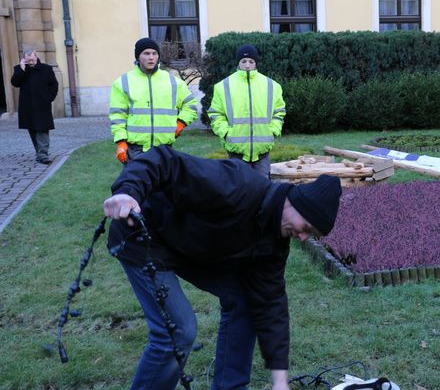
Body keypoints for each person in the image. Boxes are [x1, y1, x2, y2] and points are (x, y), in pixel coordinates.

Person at [102, 145, 342, 390]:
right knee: (178, 330)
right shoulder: (236, 185)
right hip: (144, 237)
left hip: (191, 248)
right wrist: (128, 191)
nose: (302, 238)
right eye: (307, 229)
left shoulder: (274, 243)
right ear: (293, 204)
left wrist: (280, 383)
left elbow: (272, 306)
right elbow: (163, 160)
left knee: (249, 299)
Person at [109, 37, 198, 164]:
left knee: (164, 184)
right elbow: (118, 115)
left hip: (164, 149)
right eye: (146, 53)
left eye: (154, 53)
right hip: (135, 150)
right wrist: (121, 142)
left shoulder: (172, 82)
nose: (151, 57)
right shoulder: (123, 82)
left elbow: (190, 104)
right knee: (137, 184)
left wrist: (181, 123)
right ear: (138, 57)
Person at [207, 44, 286, 177]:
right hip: (236, 150)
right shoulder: (223, 86)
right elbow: (215, 113)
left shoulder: (272, 85)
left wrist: (273, 131)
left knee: (263, 190)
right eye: (243, 61)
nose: (247, 65)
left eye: (251, 61)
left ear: (256, 63)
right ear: (238, 63)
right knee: (239, 190)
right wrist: (226, 133)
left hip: (263, 150)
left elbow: (279, 111)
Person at [10, 48, 58, 165]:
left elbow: (54, 85)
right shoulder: (20, 69)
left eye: (32, 59)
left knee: (42, 130)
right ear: (24, 59)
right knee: (32, 129)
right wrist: (21, 69)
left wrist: (48, 98)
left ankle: (43, 154)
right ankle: (40, 153)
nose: (30, 62)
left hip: (42, 105)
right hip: (27, 106)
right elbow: (15, 83)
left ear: (36, 57)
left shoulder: (46, 69)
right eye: (28, 60)